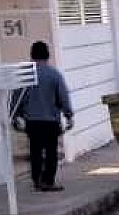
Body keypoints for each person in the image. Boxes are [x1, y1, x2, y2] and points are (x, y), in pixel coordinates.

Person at [13, 40, 74, 192]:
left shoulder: (25, 75)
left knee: (35, 151)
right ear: (47, 55)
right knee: (51, 152)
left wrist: (15, 116)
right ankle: (48, 181)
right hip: (50, 121)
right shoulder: (54, 75)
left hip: (32, 121)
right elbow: (63, 97)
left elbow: (16, 98)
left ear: (32, 55)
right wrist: (68, 114)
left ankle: (37, 180)